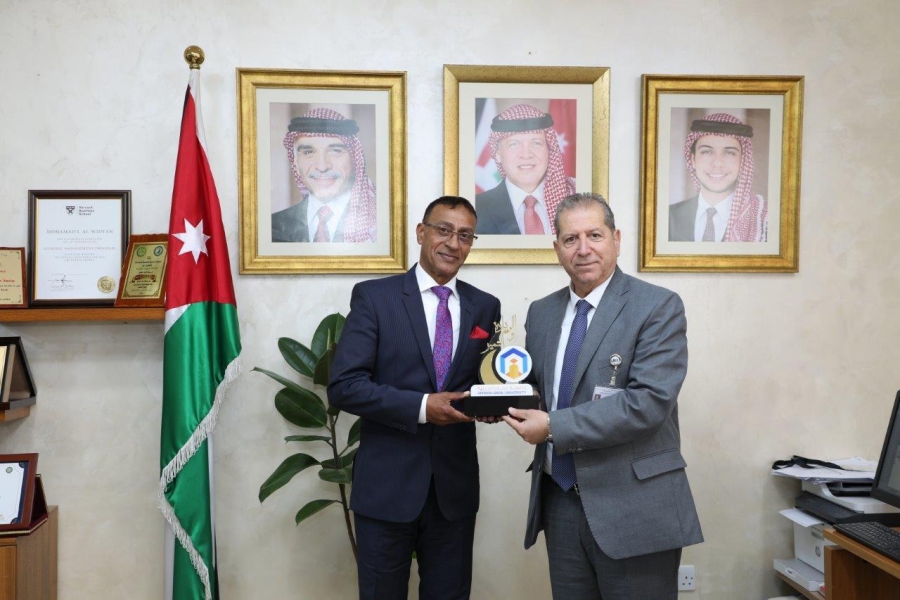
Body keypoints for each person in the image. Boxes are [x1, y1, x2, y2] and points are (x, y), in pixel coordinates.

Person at [503, 193, 703, 599]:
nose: (583, 249)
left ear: (616, 239)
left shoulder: (657, 306)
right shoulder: (542, 313)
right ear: (556, 247)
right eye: (570, 238)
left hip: (634, 504)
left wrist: (551, 426)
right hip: (560, 501)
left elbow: (647, 404)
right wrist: (501, 401)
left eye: (594, 235)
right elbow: (542, 390)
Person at [328, 196, 500, 600]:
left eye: (465, 235)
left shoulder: (485, 306)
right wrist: (422, 407)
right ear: (421, 233)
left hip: (453, 494)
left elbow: (486, 378)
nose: (453, 243)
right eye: (444, 230)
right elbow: (345, 385)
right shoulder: (375, 297)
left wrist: (495, 404)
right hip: (387, 489)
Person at [272, 107, 377, 243]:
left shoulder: (379, 223)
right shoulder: (273, 226)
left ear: (355, 159)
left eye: (335, 151)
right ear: (296, 163)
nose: (322, 166)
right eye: (308, 152)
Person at [475, 103, 575, 236]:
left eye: (536, 143)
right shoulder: (475, 209)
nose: (526, 154)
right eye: (514, 144)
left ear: (549, 149)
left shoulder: (575, 198)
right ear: (498, 154)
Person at [669, 112, 768, 242]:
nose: (717, 163)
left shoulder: (763, 220)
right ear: (693, 159)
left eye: (729, 153)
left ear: (743, 161)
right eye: (707, 152)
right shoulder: (668, 217)